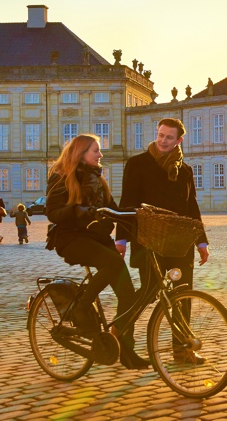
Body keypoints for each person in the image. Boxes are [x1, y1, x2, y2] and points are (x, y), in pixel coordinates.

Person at [46, 133, 149, 370]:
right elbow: (52, 211)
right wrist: (77, 211)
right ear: (81, 153)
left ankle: (125, 350)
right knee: (112, 262)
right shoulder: (63, 178)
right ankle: (82, 306)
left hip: (97, 238)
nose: (100, 155)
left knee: (128, 298)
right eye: (96, 150)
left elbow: (114, 210)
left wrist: (139, 213)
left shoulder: (98, 180)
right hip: (71, 238)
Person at [115, 117, 209, 365]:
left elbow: (192, 207)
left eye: (169, 137)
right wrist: (121, 239)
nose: (163, 140)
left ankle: (182, 349)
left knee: (182, 296)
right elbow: (127, 203)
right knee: (148, 291)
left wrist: (201, 242)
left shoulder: (185, 170)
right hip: (149, 240)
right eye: (160, 135)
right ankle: (119, 333)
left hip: (180, 243)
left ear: (179, 140)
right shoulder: (137, 164)